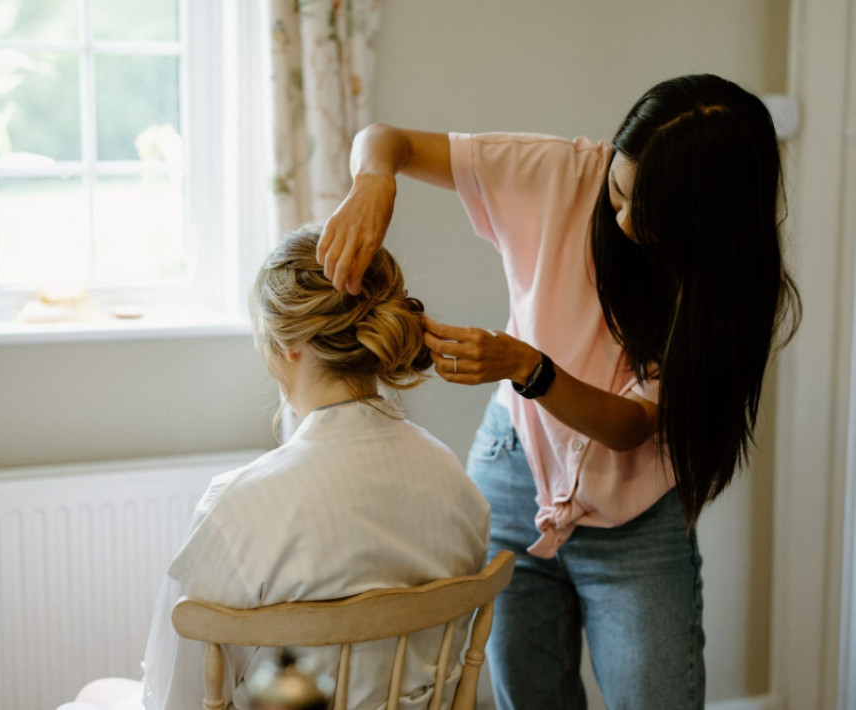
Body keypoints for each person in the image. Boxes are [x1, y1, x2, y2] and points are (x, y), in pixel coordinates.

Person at [315, 74, 802, 710]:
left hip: (638, 514)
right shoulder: (562, 173)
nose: (622, 223)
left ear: (707, 225)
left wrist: (529, 367)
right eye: (619, 193)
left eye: (648, 217)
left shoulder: (728, 292)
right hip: (514, 477)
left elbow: (632, 425)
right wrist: (373, 180)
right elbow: (385, 140)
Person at [64, 225, 490, 710]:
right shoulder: (455, 482)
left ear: (289, 345)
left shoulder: (239, 508)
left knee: (93, 693)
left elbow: (174, 699)